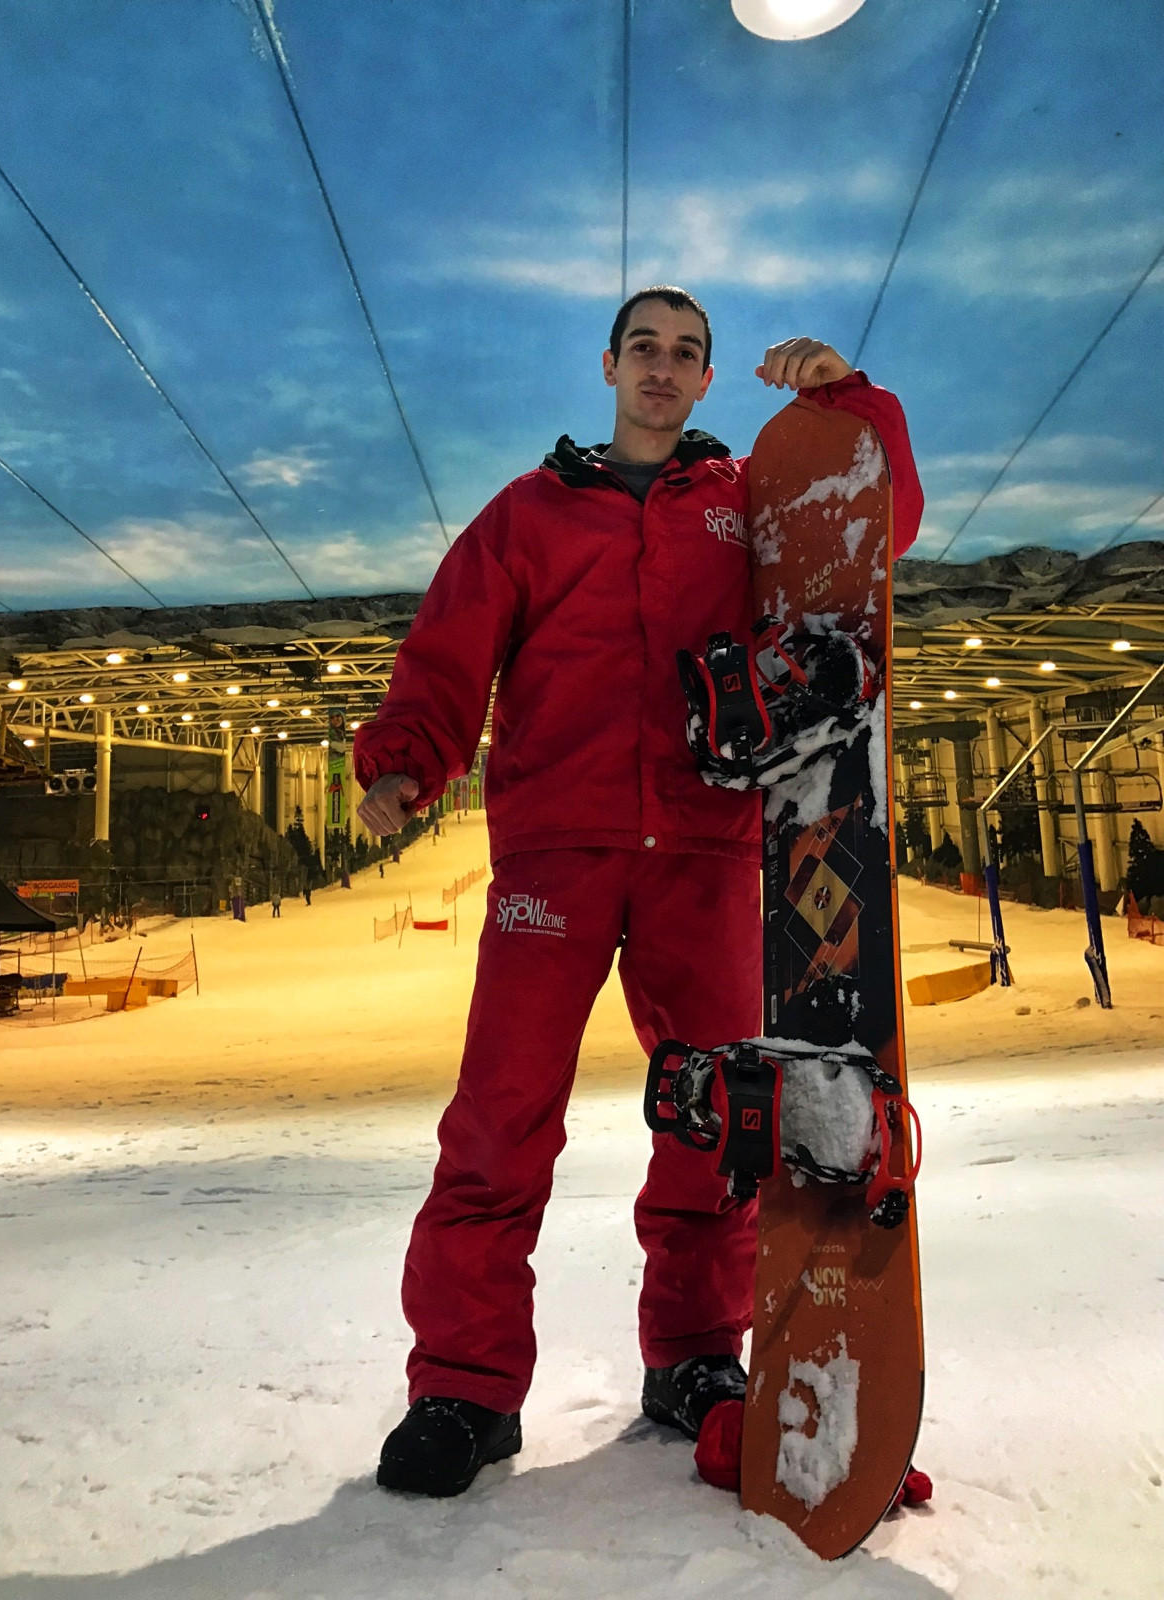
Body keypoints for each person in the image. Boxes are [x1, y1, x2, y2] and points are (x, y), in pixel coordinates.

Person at [354, 287, 923, 1499]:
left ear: (708, 379)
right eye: (645, 348)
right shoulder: (528, 513)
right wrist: (407, 757)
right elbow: (451, 646)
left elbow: (873, 529)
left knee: (719, 1118)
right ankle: (464, 1386)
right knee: (499, 1118)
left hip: (705, 853)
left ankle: (695, 1354)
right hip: (555, 855)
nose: (664, 368)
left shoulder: (747, 506)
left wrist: (848, 402)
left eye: (687, 352)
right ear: (610, 365)